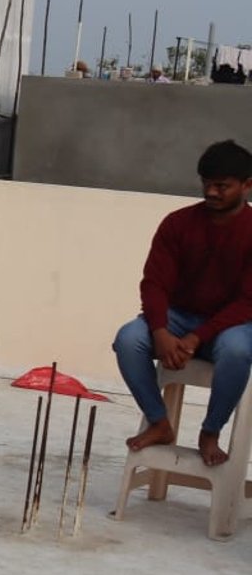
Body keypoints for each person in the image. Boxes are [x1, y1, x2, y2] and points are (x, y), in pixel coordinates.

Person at [115, 140, 252, 466]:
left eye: (223, 186)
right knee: (128, 339)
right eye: (207, 183)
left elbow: (249, 301)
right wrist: (161, 331)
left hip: (230, 324)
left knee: (238, 351)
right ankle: (159, 421)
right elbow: (154, 283)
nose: (212, 192)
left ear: (247, 185)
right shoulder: (178, 223)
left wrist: (196, 337)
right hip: (177, 317)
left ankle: (210, 432)